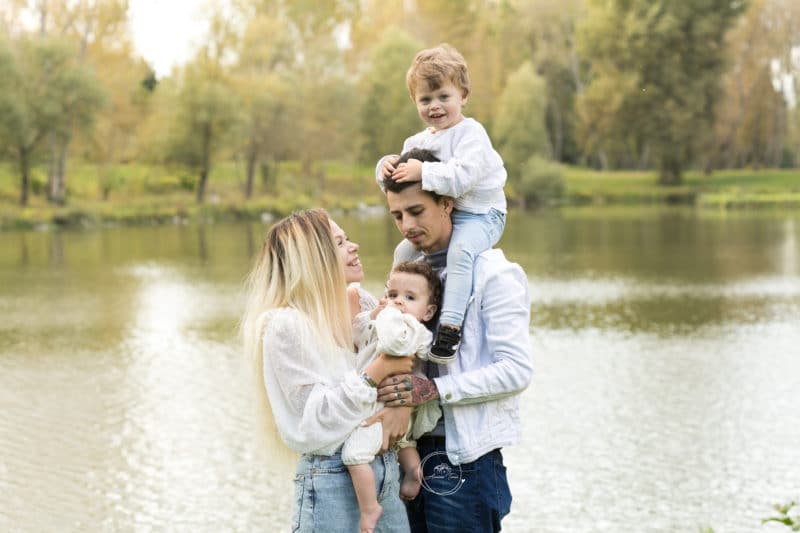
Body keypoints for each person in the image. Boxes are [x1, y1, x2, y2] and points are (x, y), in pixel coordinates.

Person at [378, 150, 533, 533]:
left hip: (465, 460)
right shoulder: (408, 273)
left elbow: (515, 372)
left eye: (416, 211)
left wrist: (432, 389)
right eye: (398, 215)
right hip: (405, 455)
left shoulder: (494, 275)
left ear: (447, 203)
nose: (406, 225)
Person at [241, 209, 414, 533]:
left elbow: (406, 361)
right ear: (314, 259)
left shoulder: (362, 304)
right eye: (339, 243)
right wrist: (375, 371)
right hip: (331, 480)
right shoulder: (285, 326)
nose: (354, 246)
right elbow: (316, 419)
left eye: (347, 238)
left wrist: (403, 404)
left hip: (386, 472)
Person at [376, 43, 508, 365]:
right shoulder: (417, 142)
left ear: (463, 95)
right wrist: (385, 167)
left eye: (443, 97)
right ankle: (393, 312)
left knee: (460, 252)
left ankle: (450, 327)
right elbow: (402, 187)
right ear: (415, 102)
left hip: (482, 214)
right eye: (425, 99)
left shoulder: (471, 134)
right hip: (449, 214)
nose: (435, 106)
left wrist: (424, 170)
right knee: (403, 253)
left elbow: (462, 177)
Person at [344, 261, 444, 531]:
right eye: (392, 295)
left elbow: (394, 344)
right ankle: (413, 471)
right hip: (388, 406)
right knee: (403, 442)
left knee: (354, 454)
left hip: (397, 401)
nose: (398, 302)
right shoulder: (386, 319)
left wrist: (386, 317)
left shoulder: (414, 331)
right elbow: (356, 335)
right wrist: (373, 316)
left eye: (409, 298)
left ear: (428, 311)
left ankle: (369, 508)